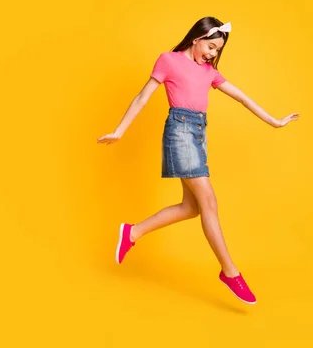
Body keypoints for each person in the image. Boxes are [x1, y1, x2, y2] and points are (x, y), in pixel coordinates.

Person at [97, 16, 300, 305]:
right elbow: (142, 97)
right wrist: (119, 131)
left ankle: (133, 232)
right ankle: (230, 272)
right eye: (210, 46)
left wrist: (274, 122)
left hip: (198, 134)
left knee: (191, 208)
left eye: (217, 50)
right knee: (209, 202)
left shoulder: (209, 72)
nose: (212, 54)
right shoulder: (168, 60)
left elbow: (241, 97)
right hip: (179, 132)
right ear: (197, 38)